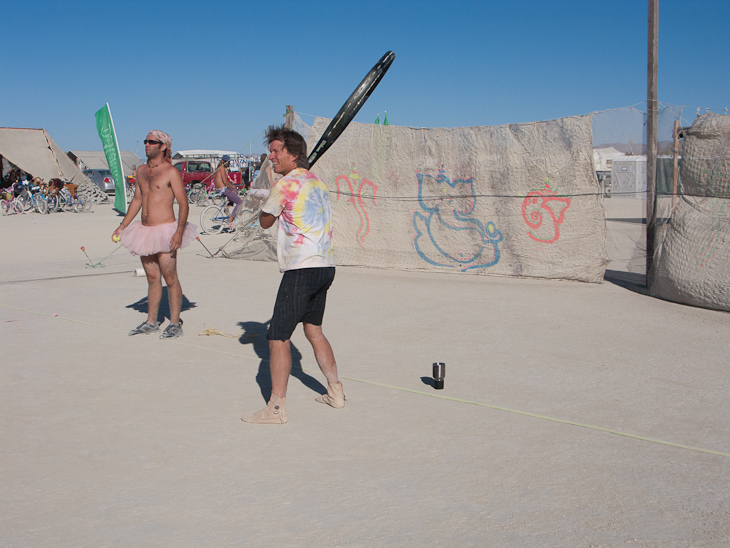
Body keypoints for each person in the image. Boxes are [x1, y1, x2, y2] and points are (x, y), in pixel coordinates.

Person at [242, 125, 343, 425]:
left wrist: (268, 193)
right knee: (313, 330)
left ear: (293, 153)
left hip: (301, 268)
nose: (270, 157)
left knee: (277, 336)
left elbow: (264, 222)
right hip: (326, 266)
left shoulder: (285, 185)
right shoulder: (318, 183)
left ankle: (275, 409)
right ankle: (336, 392)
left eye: (276, 152)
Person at [112, 130, 197, 339]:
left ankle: (175, 323)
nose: (147, 144)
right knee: (152, 277)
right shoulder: (141, 171)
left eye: (152, 142)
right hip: (145, 231)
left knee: (170, 277)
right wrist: (123, 225)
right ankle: (151, 321)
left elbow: (183, 203)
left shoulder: (170, 172)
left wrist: (179, 232)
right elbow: (138, 200)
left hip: (166, 230)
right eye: (146, 141)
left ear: (163, 147)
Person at [213, 154, 242, 231]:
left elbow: (225, 182)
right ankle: (231, 218)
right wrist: (231, 188)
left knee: (235, 191)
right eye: (228, 162)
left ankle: (228, 205)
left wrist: (232, 187)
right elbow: (225, 182)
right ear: (223, 161)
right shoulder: (222, 168)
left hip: (220, 189)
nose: (229, 164)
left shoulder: (218, 167)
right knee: (240, 202)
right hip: (222, 189)